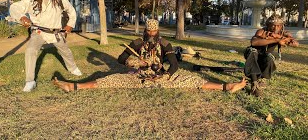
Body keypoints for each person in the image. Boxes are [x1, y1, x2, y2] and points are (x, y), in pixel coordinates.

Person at [53, 19, 246, 92]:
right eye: (149, 33)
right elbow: (120, 59)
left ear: (158, 32)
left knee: (191, 79)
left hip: (160, 76)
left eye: (155, 33)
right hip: (138, 76)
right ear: (146, 31)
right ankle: (74, 85)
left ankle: (227, 86)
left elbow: (174, 65)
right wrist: (135, 62)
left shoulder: (165, 43)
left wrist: (163, 74)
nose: (152, 35)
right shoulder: (137, 43)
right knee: (110, 79)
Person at [9, 0, 82, 92]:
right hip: (39, 32)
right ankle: (30, 81)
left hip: (56, 32)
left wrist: (70, 25)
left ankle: (73, 68)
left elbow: (71, 11)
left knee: (66, 51)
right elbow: (14, 7)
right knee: (30, 51)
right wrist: (22, 17)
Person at [244, 15, 299, 97]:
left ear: (282, 26)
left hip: (264, 55)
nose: (276, 28)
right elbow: (254, 42)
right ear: (268, 25)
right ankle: (254, 83)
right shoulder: (261, 31)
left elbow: (295, 44)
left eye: (279, 25)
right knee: (253, 52)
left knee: (269, 58)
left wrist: (289, 40)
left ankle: (258, 79)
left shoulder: (284, 34)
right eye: (273, 25)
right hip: (252, 54)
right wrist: (276, 40)